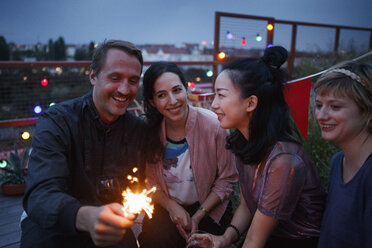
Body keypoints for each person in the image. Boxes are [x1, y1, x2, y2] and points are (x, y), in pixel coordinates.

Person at [21, 40, 160, 248]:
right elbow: (40, 194)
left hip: (111, 227)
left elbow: (137, 189)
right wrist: (87, 216)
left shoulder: (138, 130)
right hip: (54, 226)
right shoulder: (58, 121)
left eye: (133, 80)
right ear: (93, 76)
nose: (124, 89)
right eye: (115, 78)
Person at [189, 46, 326, 248]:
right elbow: (246, 206)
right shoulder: (246, 144)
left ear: (251, 103)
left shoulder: (283, 160)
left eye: (221, 95)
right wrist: (223, 239)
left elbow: (254, 240)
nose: (214, 104)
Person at [137, 61, 238, 248]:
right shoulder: (149, 133)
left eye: (177, 90)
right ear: (152, 101)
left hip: (209, 206)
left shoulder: (214, 126)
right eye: (162, 95)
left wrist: (198, 216)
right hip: (167, 205)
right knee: (153, 241)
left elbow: (227, 179)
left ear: (186, 89)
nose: (173, 101)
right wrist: (171, 206)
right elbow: (150, 183)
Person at [314, 61, 372, 248]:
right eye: (318, 105)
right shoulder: (337, 161)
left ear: (367, 111)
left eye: (335, 107)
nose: (321, 115)